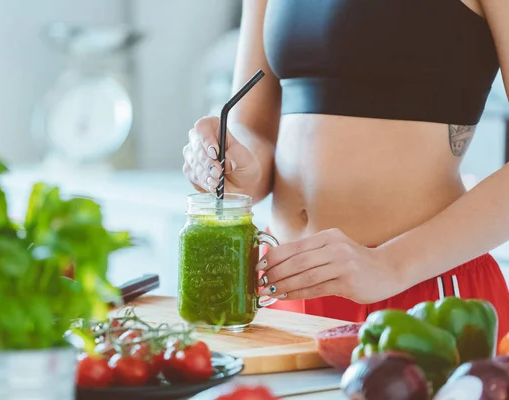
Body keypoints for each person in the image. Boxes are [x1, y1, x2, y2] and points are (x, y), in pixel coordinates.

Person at [182, 0, 509, 341]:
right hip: (280, 287)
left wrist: (391, 265)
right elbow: (253, 129)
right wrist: (233, 165)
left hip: (419, 292)